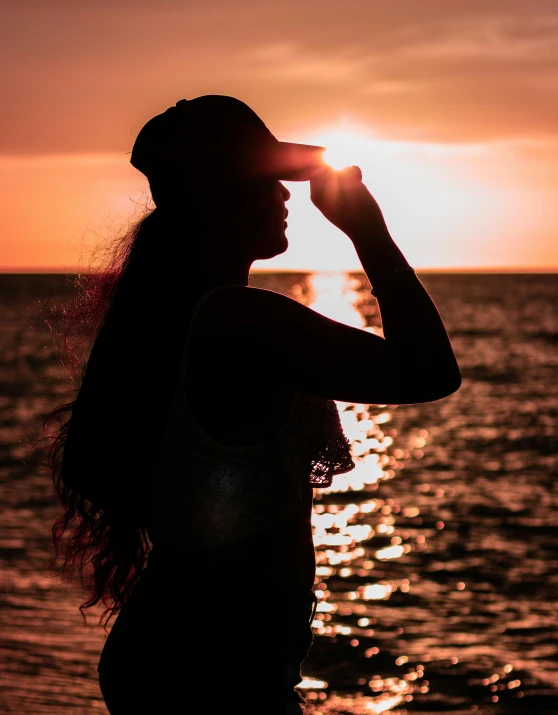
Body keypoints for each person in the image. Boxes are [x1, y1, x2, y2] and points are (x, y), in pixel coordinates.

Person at [52, 95, 461, 714]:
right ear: (227, 196)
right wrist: (368, 232)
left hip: (192, 658)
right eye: (270, 181)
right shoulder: (240, 320)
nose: (287, 195)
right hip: (211, 672)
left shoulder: (178, 312)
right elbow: (428, 371)